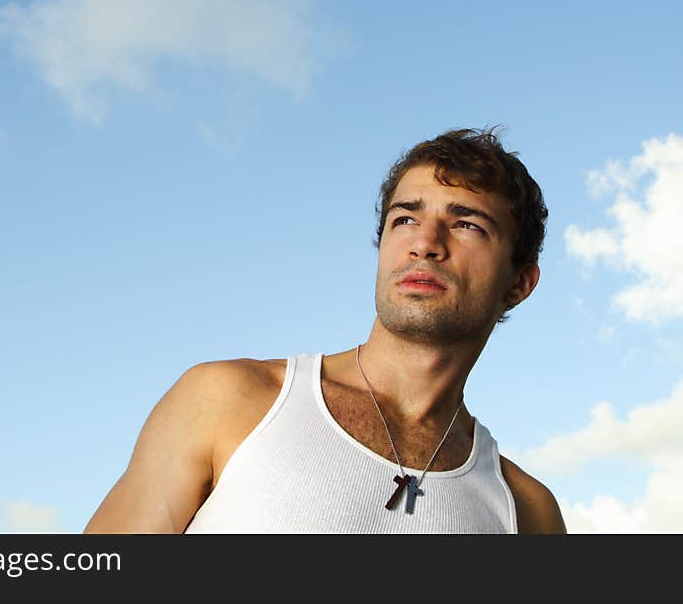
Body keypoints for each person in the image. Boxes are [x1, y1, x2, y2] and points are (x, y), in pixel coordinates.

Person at [83, 127, 566, 534]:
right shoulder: (230, 401)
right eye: (404, 218)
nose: (424, 243)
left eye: (466, 225)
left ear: (519, 283)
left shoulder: (527, 512)